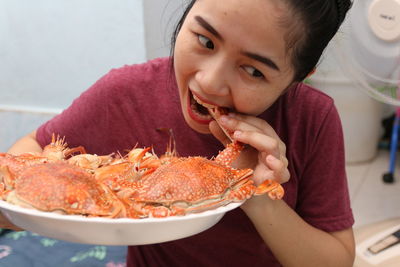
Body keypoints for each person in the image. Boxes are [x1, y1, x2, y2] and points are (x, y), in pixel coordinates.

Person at [1, 0, 355, 266]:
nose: (208, 82)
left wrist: (253, 192)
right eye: (205, 40)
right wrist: (36, 205)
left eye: (252, 70)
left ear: (299, 76)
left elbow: (337, 259)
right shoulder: (125, 95)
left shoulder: (313, 118)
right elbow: (27, 155)